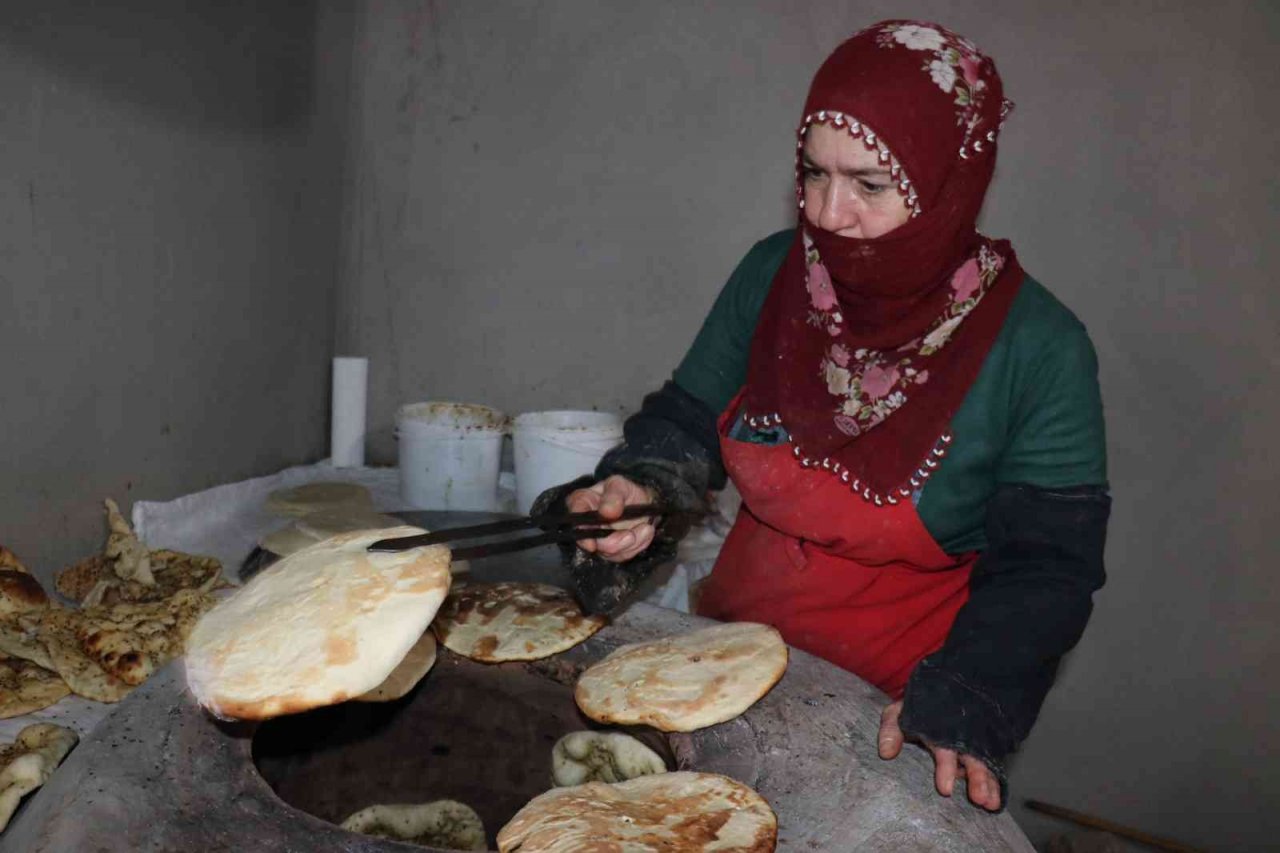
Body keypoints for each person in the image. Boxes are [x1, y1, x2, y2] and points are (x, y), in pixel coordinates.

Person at [537, 20, 1110, 812]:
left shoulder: (1039, 348)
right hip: (724, 654)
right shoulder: (775, 275)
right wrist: (641, 487)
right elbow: (686, 419)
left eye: (870, 184)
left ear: (948, 180)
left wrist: (974, 692)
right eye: (813, 173)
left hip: (899, 703)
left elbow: (1048, 565)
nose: (829, 212)